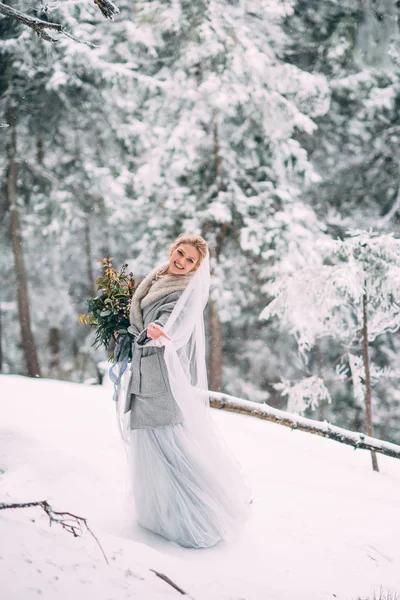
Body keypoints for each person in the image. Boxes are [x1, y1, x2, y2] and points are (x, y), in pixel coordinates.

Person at [115, 234, 251, 548]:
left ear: (197, 267)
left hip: (160, 374)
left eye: (190, 260)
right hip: (145, 369)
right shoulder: (159, 275)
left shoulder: (186, 291)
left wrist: (158, 331)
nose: (182, 262)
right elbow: (142, 314)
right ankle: (159, 513)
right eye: (180, 253)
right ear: (173, 249)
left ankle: (196, 516)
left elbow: (175, 323)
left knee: (167, 443)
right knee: (153, 443)